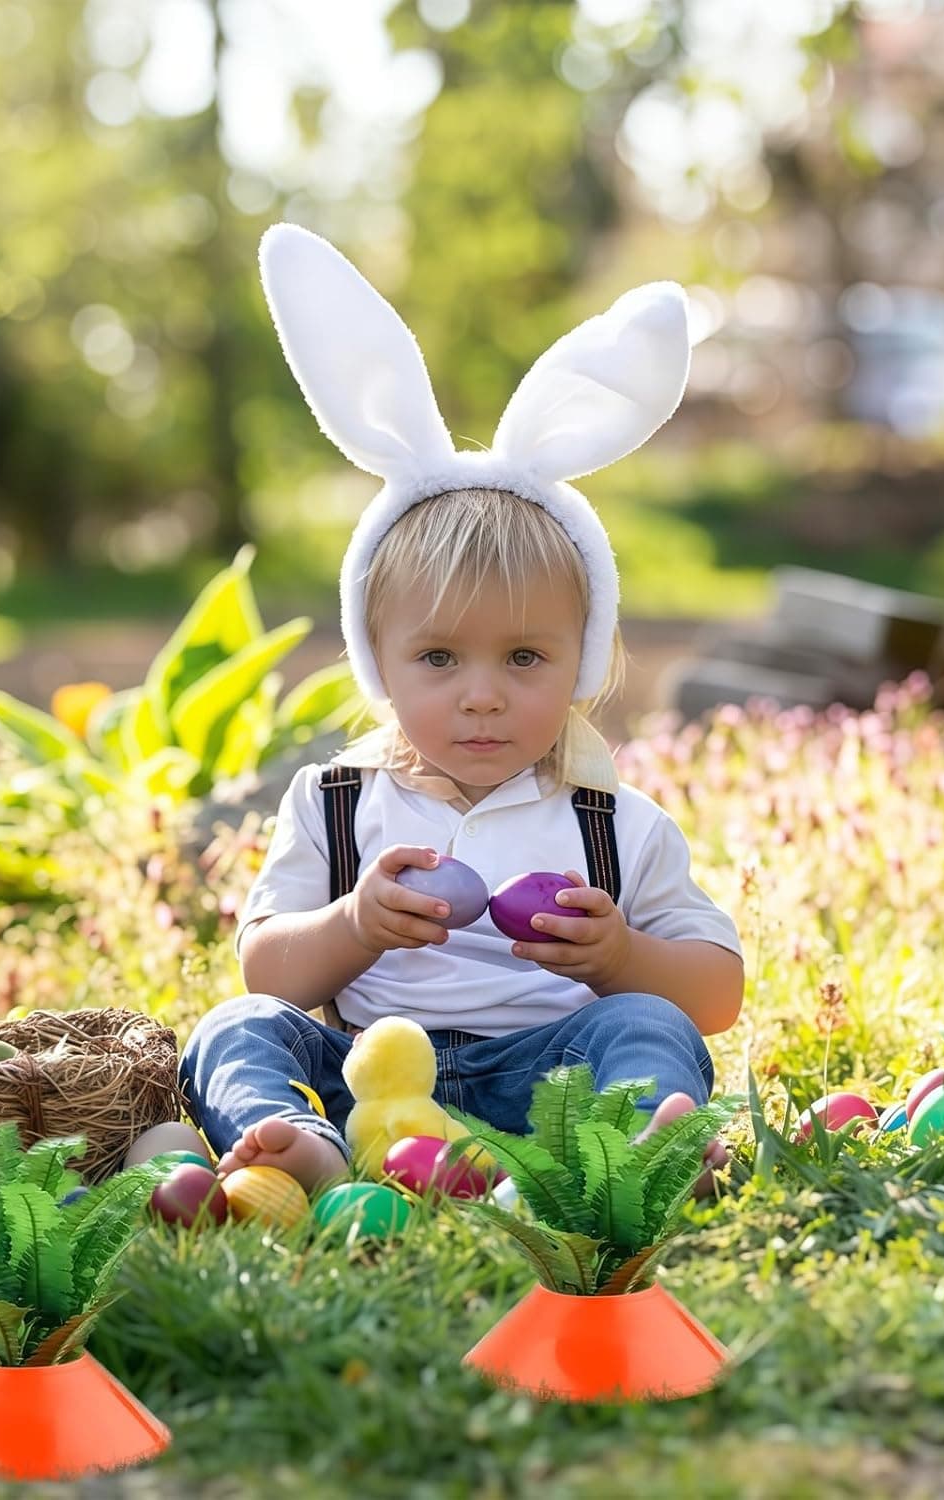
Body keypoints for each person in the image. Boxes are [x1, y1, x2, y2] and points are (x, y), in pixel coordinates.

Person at [178, 224, 744, 1198]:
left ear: (580, 661)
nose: (482, 691)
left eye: (524, 657)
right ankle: (296, 1139)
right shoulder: (338, 801)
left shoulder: (611, 823)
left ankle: (640, 1141)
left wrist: (618, 956)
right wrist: (355, 923)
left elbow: (717, 992)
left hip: (548, 1075)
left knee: (649, 1027)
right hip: (372, 1075)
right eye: (439, 657)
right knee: (238, 1032)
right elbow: (267, 968)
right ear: (379, 665)